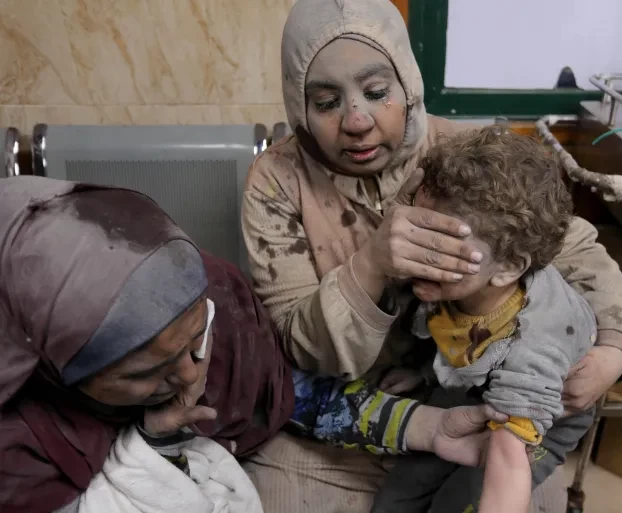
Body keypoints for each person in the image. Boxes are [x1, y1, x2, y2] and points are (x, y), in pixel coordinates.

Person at [240, 0, 622, 511]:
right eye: (325, 102)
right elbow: (298, 349)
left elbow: (574, 251)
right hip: (340, 409)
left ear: (408, 85)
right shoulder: (277, 181)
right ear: (300, 109)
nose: (357, 120)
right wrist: (370, 265)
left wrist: (615, 347)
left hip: (478, 395)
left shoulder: (464, 152)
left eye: (377, 92)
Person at [0, 176, 511, 513]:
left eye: (196, 339)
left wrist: (428, 427)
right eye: (143, 373)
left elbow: (293, 390)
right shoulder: (19, 444)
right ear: (53, 366)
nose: (190, 376)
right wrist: (153, 444)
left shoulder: (217, 298)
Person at [371, 127, 600, 513]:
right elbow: (462, 337)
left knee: (458, 503)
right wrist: (427, 373)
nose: (422, 253)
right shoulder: (458, 282)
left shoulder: (535, 345)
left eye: (444, 247)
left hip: (536, 416)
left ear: (508, 267)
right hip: (476, 385)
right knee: (396, 498)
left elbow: (509, 462)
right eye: (419, 231)